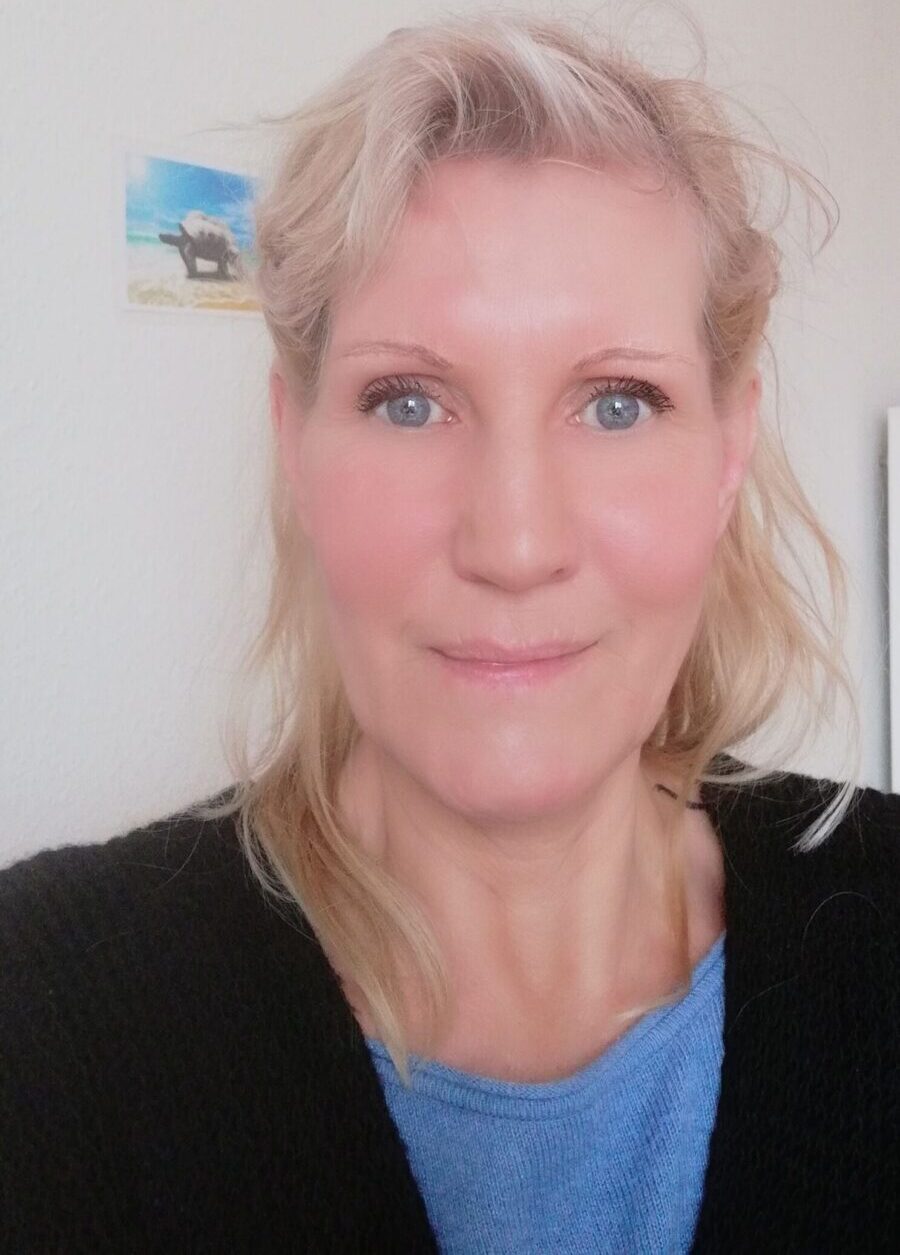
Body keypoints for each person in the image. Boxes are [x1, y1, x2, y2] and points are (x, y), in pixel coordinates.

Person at [2, 8, 898, 1253]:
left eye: (619, 401)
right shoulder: (43, 1025)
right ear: (295, 444)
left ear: (728, 449)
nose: (514, 542)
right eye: (409, 400)